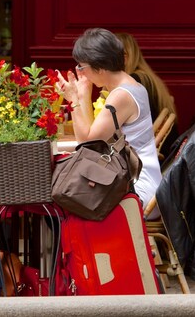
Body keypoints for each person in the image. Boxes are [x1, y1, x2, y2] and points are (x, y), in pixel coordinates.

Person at [57, 28, 161, 209]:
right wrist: (83, 95)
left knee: (65, 198)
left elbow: (87, 144)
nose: (81, 71)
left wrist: (74, 100)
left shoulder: (121, 95)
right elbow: (93, 137)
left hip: (137, 188)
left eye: (82, 66)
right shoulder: (130, 85)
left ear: (99, 65)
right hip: (133, 179)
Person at [115, 32, 179, 148]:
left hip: (148, 154)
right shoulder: (145, 76)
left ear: (124, 58)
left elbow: (113, 125)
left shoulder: (134, 81)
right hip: (161, 149)